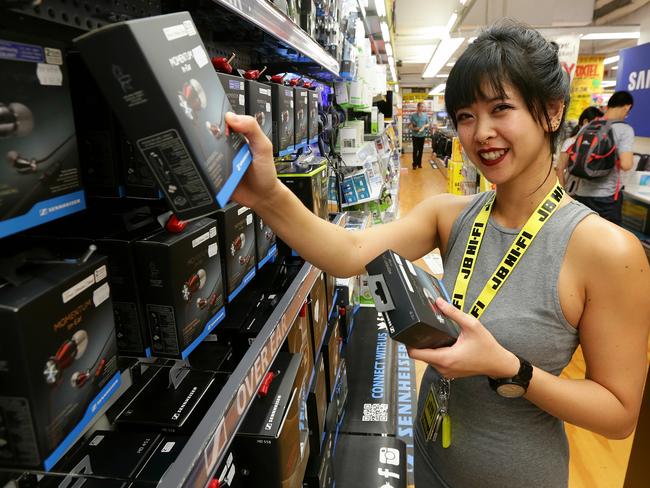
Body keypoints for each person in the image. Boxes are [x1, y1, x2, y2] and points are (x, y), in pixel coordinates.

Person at [223, 20, 650, 488]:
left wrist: (510, 368)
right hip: (429, 457)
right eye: (465, 116)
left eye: (501, 108)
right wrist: (267, 194)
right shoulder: (451, 216)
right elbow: (349, 253)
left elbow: (619, 415)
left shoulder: (608, 250)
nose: (481, 133)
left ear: (551, 112)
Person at [571, 91, 636, 225]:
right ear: (627, 107)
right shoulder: (625, 129)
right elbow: (626, 164)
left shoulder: (588, 126)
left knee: (583, 236)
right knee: (610, 242)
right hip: (606, 198)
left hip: (581, 194)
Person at [556, 106, 603, 194]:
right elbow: (559, 169)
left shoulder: (594, 144)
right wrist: (562, 193)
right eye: (595, 124)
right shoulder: (571, 142)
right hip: (569, 191)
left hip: (585, 193)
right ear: (585, 122)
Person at [409, 101, 429, 169]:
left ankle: (419, 163)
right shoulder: (413, 115)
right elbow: (410, 126)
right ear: (418, 107)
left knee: (421, 150)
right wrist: (414, 128)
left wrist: (424, 127)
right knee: (415, 150)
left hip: (422, 136)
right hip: (415, 136)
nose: (423, 108)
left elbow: (428, 124)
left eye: (423, 106)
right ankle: (414, 164)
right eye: (421, 106)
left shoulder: (425, 115)